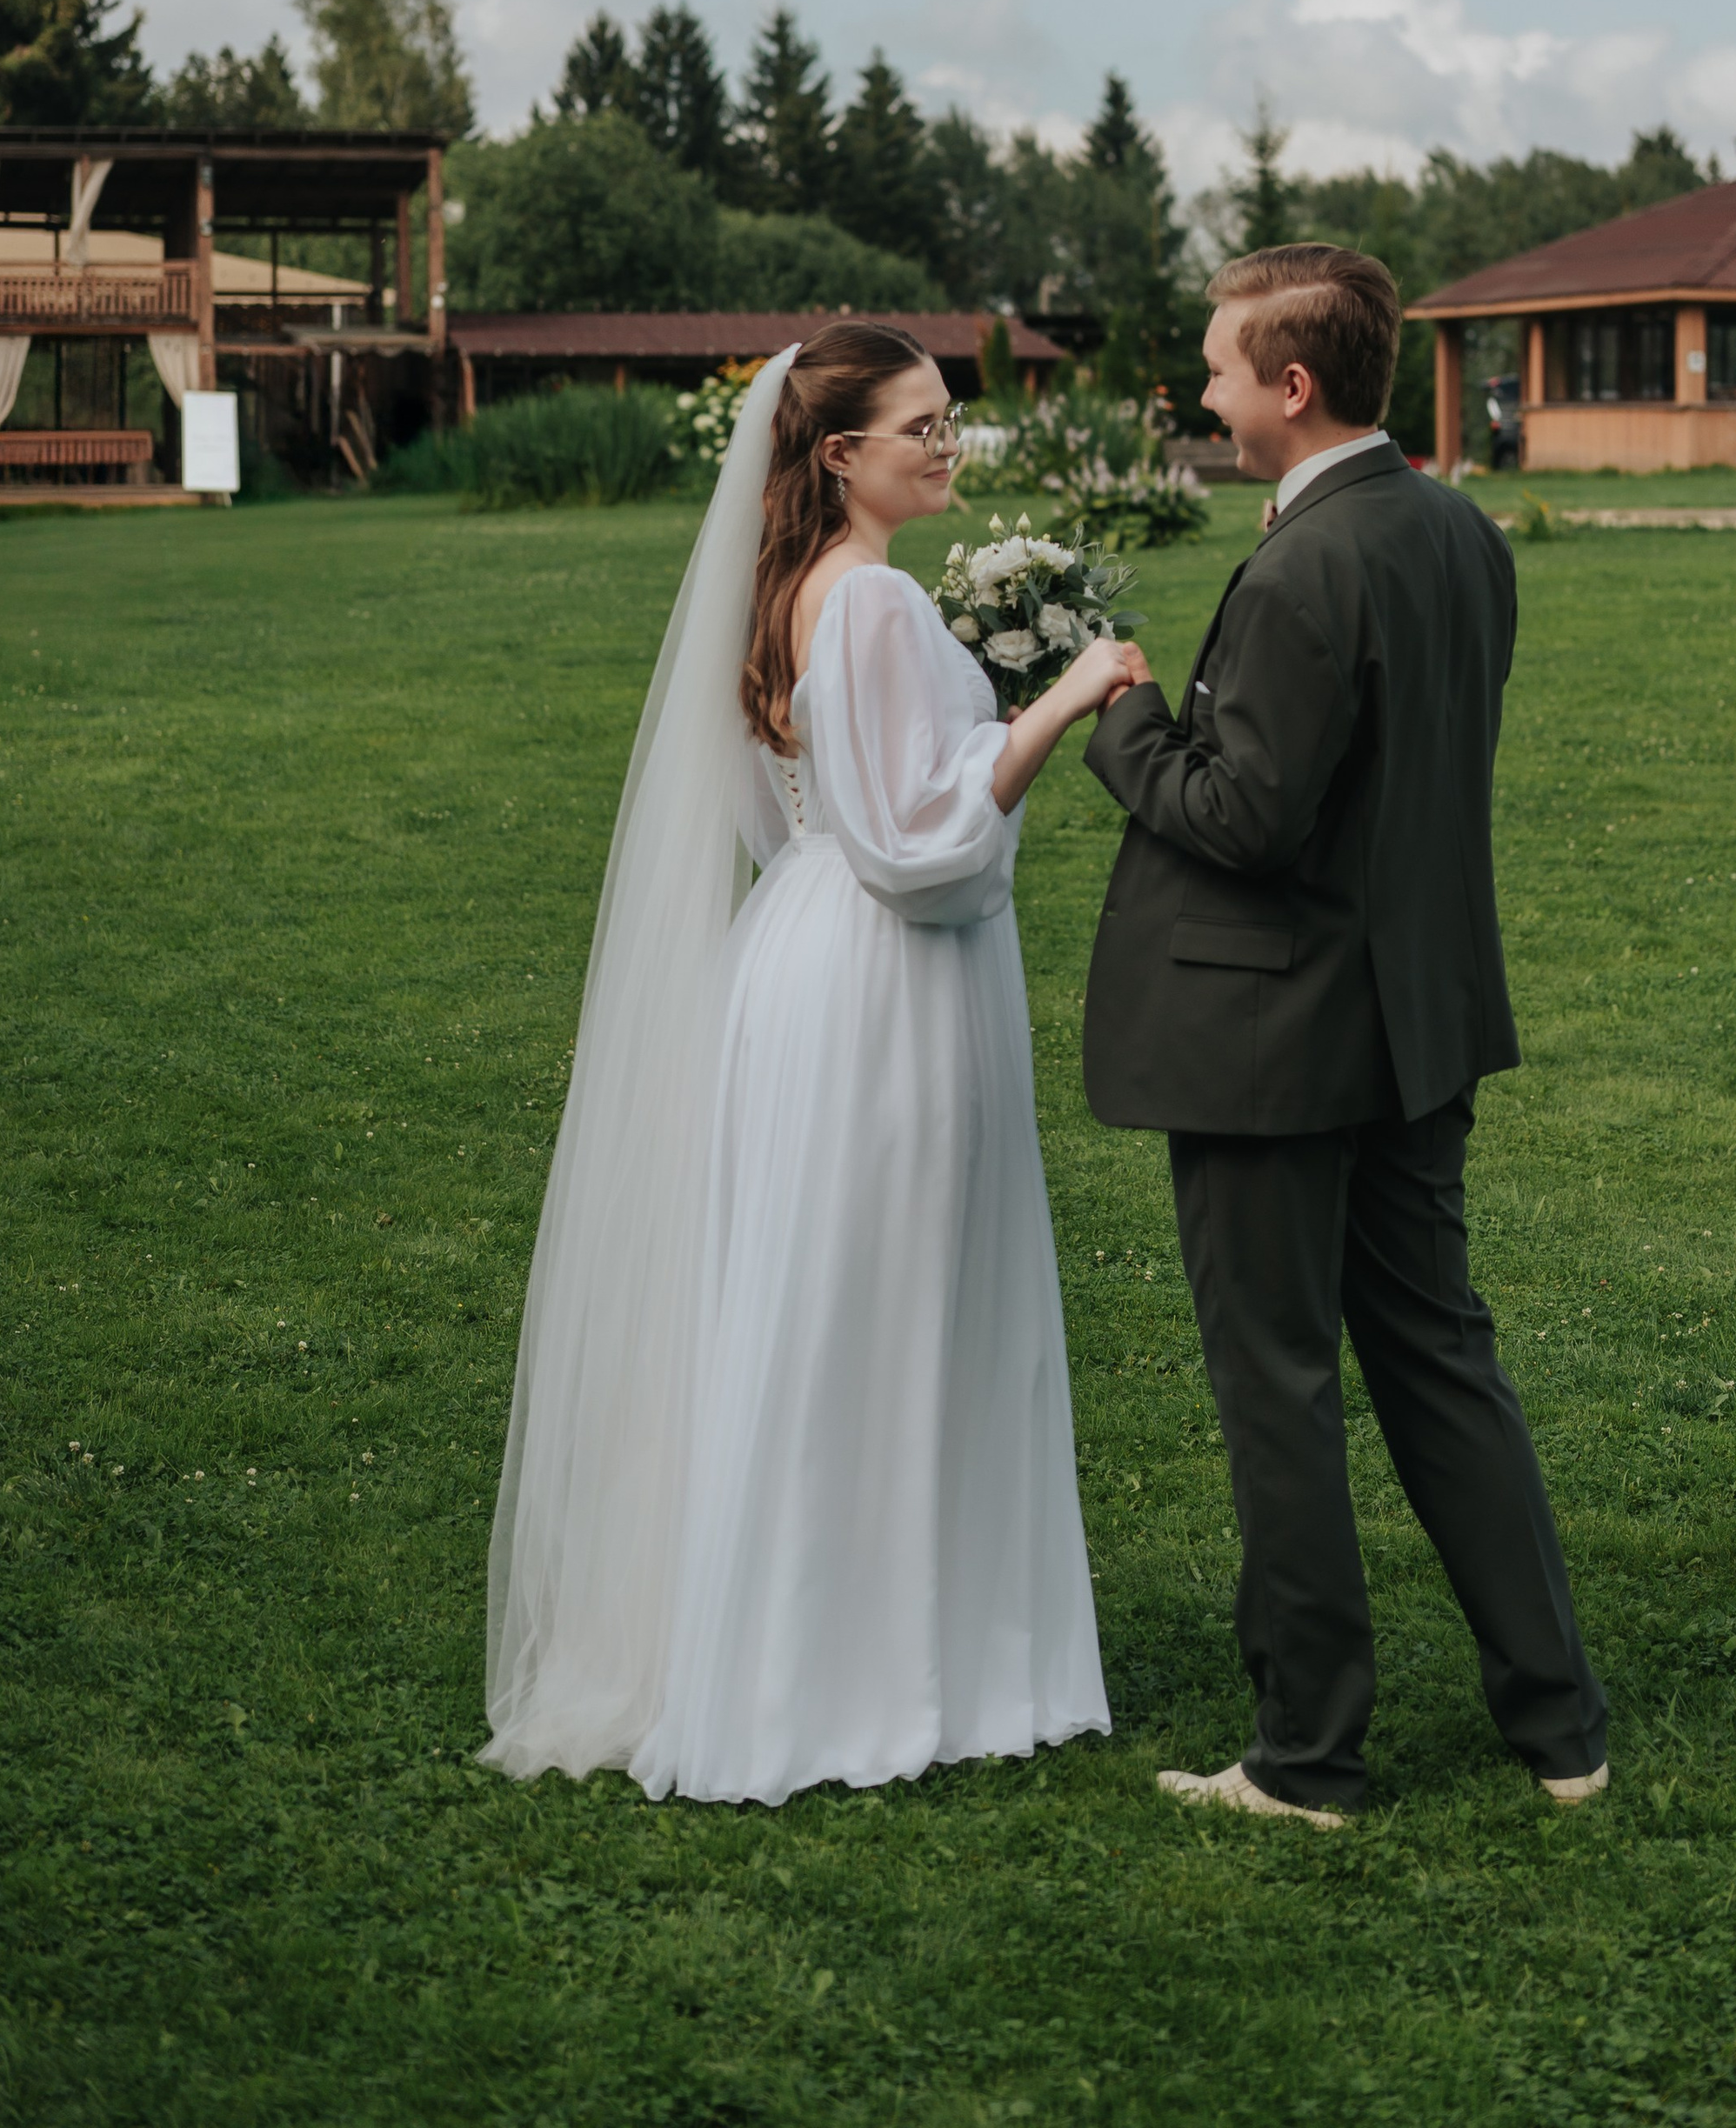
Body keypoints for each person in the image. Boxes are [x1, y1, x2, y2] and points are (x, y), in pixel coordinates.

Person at [483, 323, 1129, 1805]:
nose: (947, 443)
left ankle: (794, 1646)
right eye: (921, 425)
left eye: (951, 418)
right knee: (891, 1307)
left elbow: (807, 822)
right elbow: (916, 846)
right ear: (839, 455)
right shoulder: (884, 606)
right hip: (891, 982)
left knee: (812, 1301)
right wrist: (1059, 698)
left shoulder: (783, 595)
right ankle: (876, 1673)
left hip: (794, 957)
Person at [1081, 246, 1606, 1831]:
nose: (1205, 392)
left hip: (1276, 1035)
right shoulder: (1456, 527)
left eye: (1220, 369)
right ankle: (1562, 1729)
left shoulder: (1310, 565)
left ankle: (1308, 1757)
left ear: (1292, 387)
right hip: (1413, 1020)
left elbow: (1241, 814)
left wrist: (1122, 714)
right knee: (1440, 1361)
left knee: (1279, 1383)